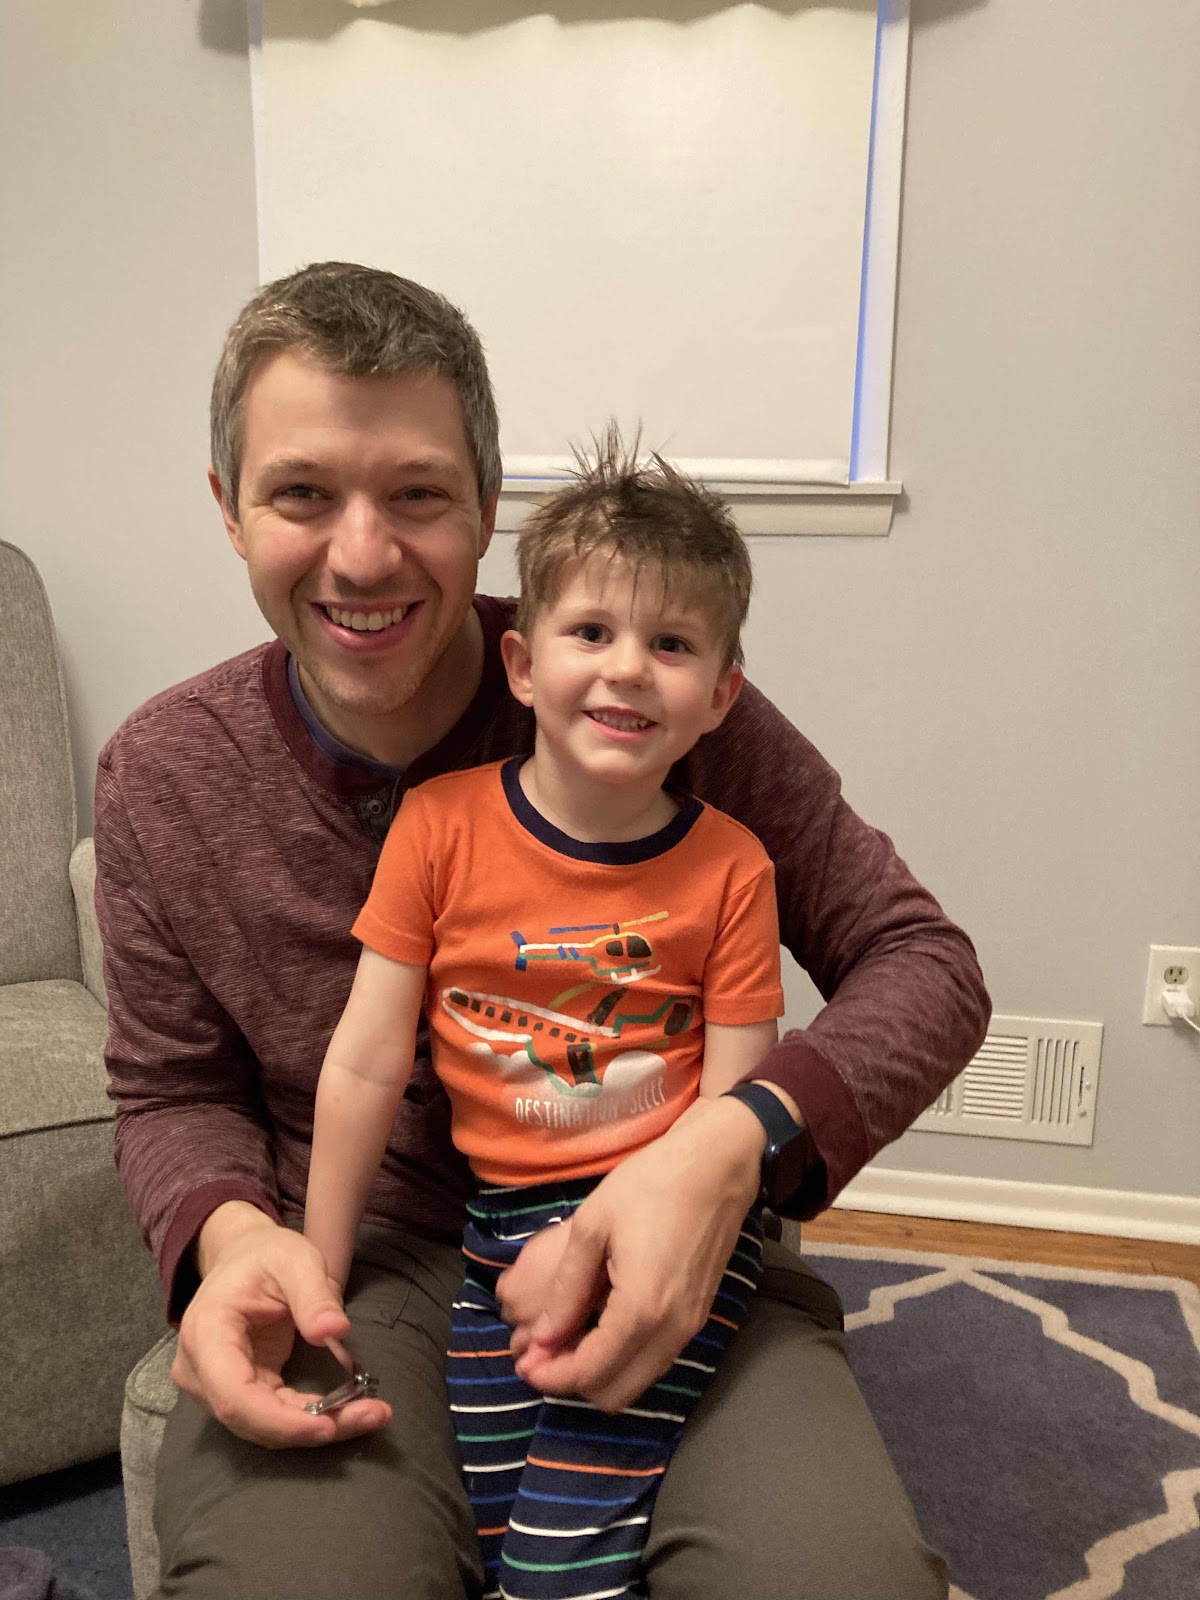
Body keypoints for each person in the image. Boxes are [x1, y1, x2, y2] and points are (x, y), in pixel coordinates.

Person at [96, 261, 990, 1600]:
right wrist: (234, 1239)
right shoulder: (164, 773)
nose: (361, 554)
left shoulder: (643, 692)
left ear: (485, 505)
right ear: (229, 509)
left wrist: (724, 1155)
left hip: (663, 1239)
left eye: (416, 494)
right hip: (365, 1266)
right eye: (301, 494)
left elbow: (928, 966)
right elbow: (171, 1089)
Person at [304, 435, 785, 1600]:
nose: (628, 670)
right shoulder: (438, 826)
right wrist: (318, 1266)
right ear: (521, 664)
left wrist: (613, 1234)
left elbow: (734, 1109)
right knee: (493, 1525)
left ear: (721, 695)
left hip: (669, 1234)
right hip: (495, 1238)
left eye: (672, 645)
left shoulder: (734, 867)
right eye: (593, 632)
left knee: (563, 1552)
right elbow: (365, 1063)